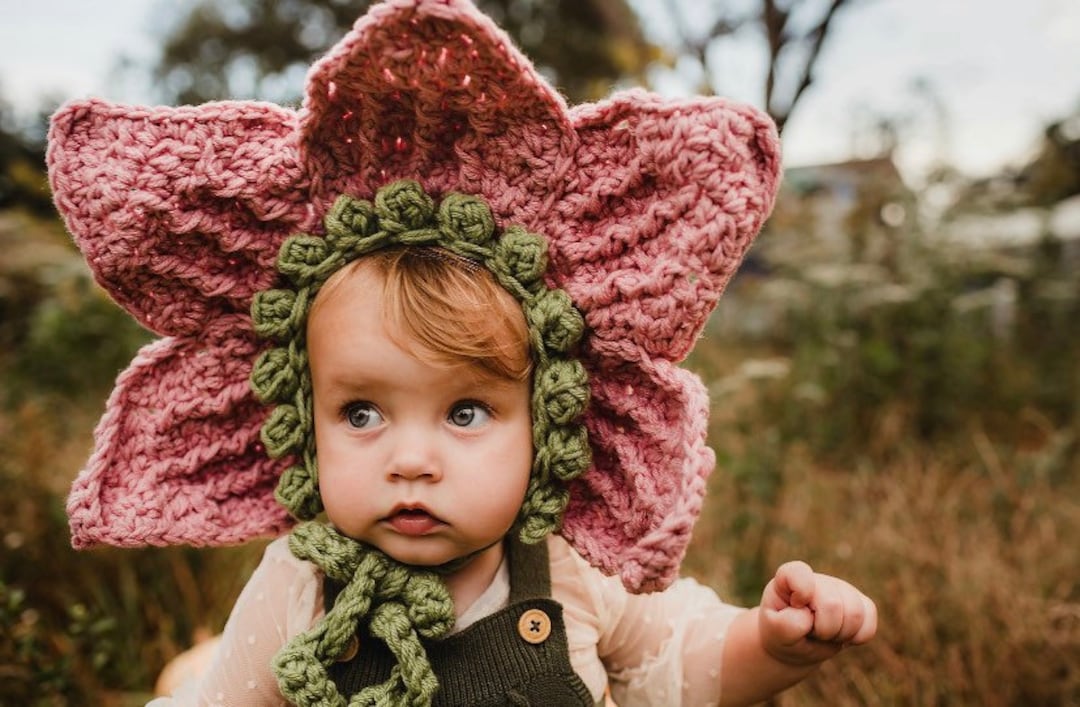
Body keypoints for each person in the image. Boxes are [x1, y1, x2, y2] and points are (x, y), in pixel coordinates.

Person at [47, 1, 876, 705]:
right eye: (361, 412)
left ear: (551, 423)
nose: (411, 459)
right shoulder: (299, 588)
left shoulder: (567, 571)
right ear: (300, 422)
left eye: (467, 411)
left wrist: (774, 644)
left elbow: (679, 665)